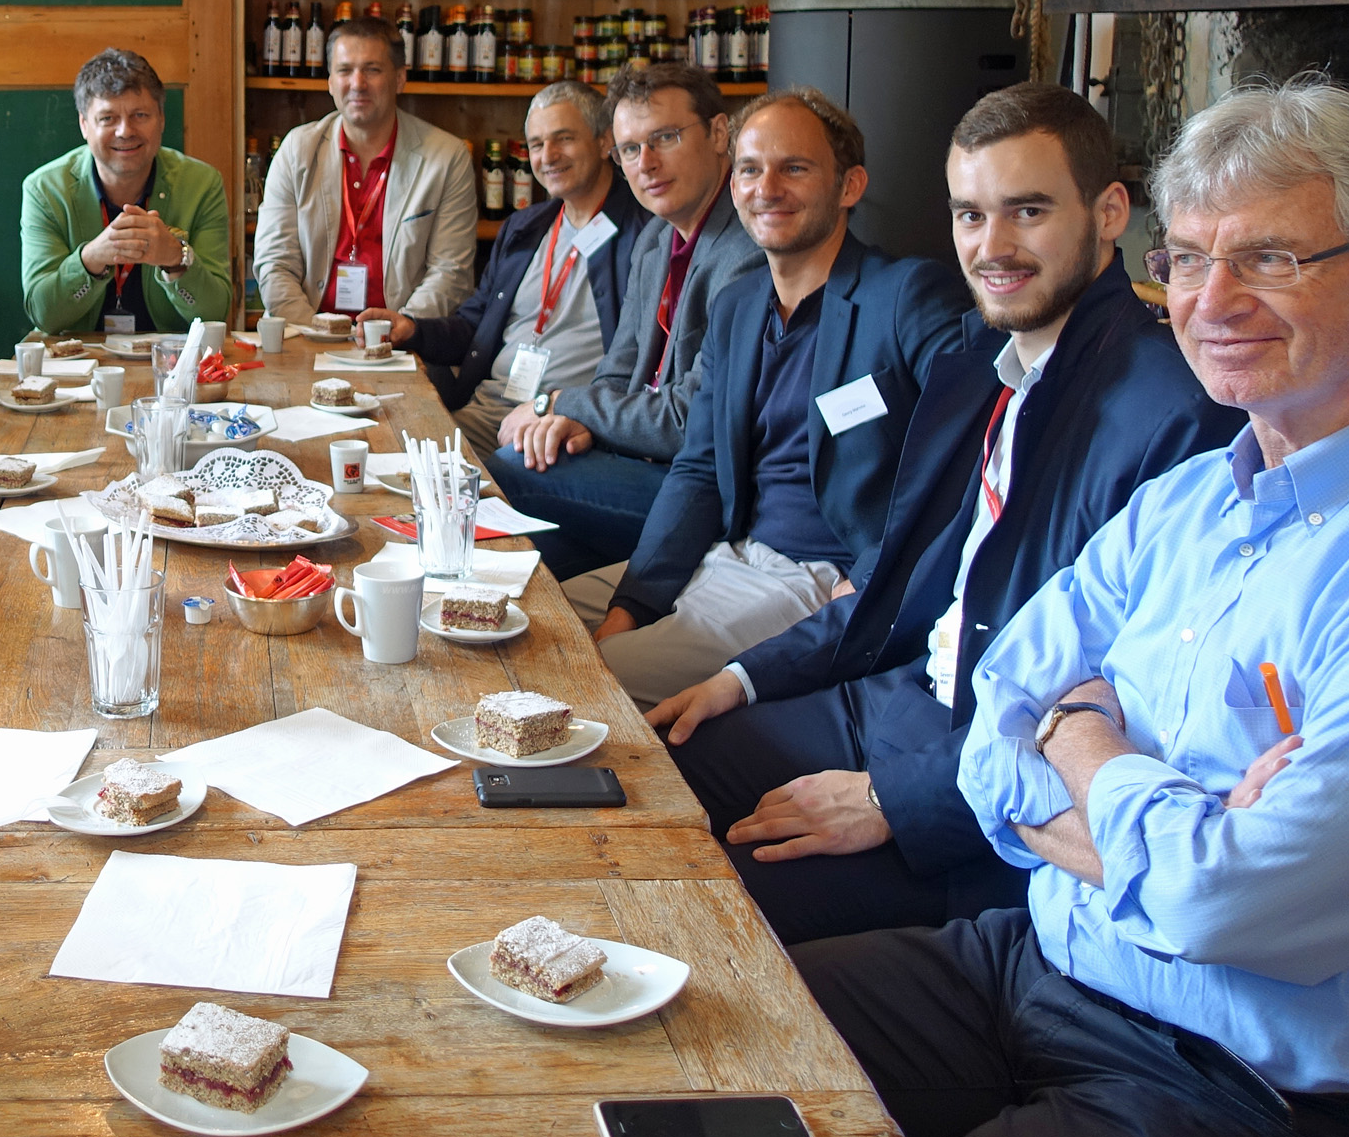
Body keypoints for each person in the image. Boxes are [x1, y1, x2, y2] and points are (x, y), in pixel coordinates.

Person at [796, 79, 1349, 1137]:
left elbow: (1223, 902)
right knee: (695, 1030)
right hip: (1028, 966)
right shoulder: (1189, 500)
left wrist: (1081, 731)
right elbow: (993, 737)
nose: (1210, 301)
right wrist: (1176, 818)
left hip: (1239, 1090)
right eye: (1184, 258)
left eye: (1269, 257)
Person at [647, 84, 1242, 945]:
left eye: (1027, 211)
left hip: (985, 785)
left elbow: (1129, 708)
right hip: (894, 699)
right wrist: (742, 675)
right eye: (970, 215)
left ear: (1112, 213)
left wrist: (899, 797)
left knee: (707, 903)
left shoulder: (1177, 413)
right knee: (640, 775)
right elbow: (908, 582)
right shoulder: (979, 362)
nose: (992, 247)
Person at [589, 88, 968, 705]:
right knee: (536, 622)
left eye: (794, 168)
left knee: (591, 683)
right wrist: (630, 607)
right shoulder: (737, 307)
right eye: (750, 169)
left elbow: (972, 449)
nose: (767, 188)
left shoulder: (904, 296)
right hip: (727, 555)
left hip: (815, 578)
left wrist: (871, 580)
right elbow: (700, 468)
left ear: (849, 186)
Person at [488, 63, 763, 579]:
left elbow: (687, 421)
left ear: (720, 133)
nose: (647, 163)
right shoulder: (656, 238)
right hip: (639, 463)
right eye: (630, 149)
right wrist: (576, 423)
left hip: (706, 492)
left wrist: (562, 403)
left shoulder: (745, 251)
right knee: (535, 563)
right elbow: (617, 373)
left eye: (665, 137)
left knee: (505, 470)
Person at [358, 80, 643, 451]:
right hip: (486, 411)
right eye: (537, 145)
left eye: (564, 139)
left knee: (429, 478)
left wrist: (582, 413)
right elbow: (474, 326)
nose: (548, 155)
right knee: (382, 446)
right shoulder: (524, 228)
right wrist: (412, 330)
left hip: (557, 425)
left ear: (606, 141)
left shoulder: (644, 236)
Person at [254, 17, 478, 323]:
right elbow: (274, 263)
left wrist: (397, 333)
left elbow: (450, 275)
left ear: (399, 78)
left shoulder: (446, 158)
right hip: (306, 334)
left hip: (404, 342)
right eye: (345, 70)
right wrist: (315, 332)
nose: (357, 84)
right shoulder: (296, 150)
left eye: (372, 70)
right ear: (330, 80)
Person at [22, 48, 234, 335]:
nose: (125, 131)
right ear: (84, 125)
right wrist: (91, 259)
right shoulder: (45, 189)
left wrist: (176, 259)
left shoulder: (202, 184)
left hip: (172, 363)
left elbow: (215, 314)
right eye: (108, 118)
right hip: (75, 363)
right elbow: (44, 315)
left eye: (140, 115)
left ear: (161, 119)